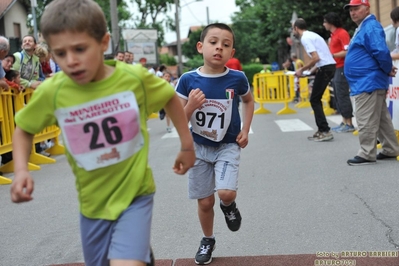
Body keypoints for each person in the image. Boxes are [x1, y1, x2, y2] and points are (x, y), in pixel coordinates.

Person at [10, 2, 196, 266]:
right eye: (60, 54)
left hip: (135, 195)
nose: (71, 60)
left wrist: (187, 146)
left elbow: (169, 97)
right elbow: (24, 128)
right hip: (93, 205)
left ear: (104, 42)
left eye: (80, 49)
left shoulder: (134, 78)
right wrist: (20, 170)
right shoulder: (54, 91)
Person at [175, 23, 254, 265]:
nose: (219, 47)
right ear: (201, 47)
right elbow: (177, 118)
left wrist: (245, 129)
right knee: (205, 201)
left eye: (226, 44)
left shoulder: (237, 78)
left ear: (232, 52)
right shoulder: (187, 80)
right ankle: (207, 239)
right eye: (213, 42)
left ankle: (229, 206)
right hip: (198, 148)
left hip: (228, 145)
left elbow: (248, 101)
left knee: (225, 193)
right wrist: (189, 107)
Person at [343, 0, 399, 165]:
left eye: (357, 8)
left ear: (367, 9)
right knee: (381, 118)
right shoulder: (366, 27)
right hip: (368, 81)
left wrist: (387, 67)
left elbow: (381, 51)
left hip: (367, 81)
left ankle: (367, 153)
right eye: (351, 10)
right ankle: (391, 149)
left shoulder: (370, 27)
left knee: (365, 118)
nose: (353, 12)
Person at [293, 18, 336, 142]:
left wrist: (301, 70)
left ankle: (325, 130)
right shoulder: (313, 35)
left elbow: (316, 58)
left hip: (325, 68)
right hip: (327, 67)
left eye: (293, 29)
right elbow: (320, 58)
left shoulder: (305, 38)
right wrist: (308, 73)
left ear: (296, 28)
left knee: (314, 99)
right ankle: (322, 129)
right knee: (316, 99)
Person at [323, 12, 355, 133]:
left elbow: (347, 51)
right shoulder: (333, 35)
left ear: (331, 22)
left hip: (342, 67)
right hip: (336, 67)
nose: (323, 24)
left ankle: (349, 123)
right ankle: (344, 121)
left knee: (342, 94)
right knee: (337, 95)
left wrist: (332, 55)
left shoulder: (342, 33)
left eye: (325, 22)